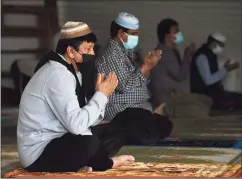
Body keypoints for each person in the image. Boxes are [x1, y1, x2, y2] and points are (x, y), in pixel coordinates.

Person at [17, 21, 135, 173]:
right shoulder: (58, 74)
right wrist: (101, 95)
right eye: (87, 49)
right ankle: (105, 163)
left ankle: (85, 163)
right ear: (71, 51)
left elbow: (85, 119)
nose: (92, 54)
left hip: (63, 137)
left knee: (116, 131)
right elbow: (76, 125)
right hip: (39, 153)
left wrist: (102, 96)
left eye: (92, 48)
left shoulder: (72, 71)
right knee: (90, 143)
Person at [96, 12, 173, 145]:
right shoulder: (111, 54)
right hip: (122, 111)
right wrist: (145, 67)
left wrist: (147, 67)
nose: (136, 37)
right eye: (133, 34)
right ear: (121, 33)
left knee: (166, 125)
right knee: (147, 133)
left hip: (139, 109)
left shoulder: (127, 52)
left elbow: (141, 79)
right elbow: (124, 86)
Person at [149, 18, 213, 118]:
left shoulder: (171, 51)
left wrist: (187, 55)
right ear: (167, 35)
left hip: (175, 94)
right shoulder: (164, 53)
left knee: (207, 101)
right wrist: (187, 55)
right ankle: (164, 110)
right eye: (176, 31)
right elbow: (180, 75)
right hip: (166, 98)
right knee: (202, 110)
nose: (179, 34)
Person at [190, 32, 241, 110]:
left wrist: (225, 68)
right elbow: (208, 80)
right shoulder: (202, 56)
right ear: (213, 44)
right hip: (205, 97)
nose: (222, 49)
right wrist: (226, 69)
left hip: (214, 94)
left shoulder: (211, 55)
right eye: (221, 46)